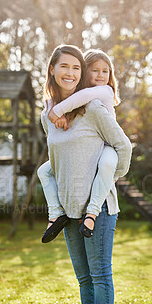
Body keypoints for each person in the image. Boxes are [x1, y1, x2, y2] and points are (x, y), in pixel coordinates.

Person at [40, 44, 132, 304]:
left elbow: (124, 147)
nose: (70, 73)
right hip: (68, 209)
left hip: (100, 208)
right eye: (64, 66)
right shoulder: (48, 116)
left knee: (100, 275)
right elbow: (55, 162)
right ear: (52, 69)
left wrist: (108, 181)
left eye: (76, 68)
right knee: (83, 278)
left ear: (81, 75)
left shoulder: (94, 109)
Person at [38, 49, 121, 243]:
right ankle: (55, 213)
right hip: (87, 153)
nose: (100, 75)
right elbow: (57, 101)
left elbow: (77, 99)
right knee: (44, 171)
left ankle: (92, 214)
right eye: (95, 70)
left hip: (107, 148)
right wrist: (56, 111)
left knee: (108, 166)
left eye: (105, 71)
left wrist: (56, 111)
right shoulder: (80, 97)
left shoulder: (101, 92)